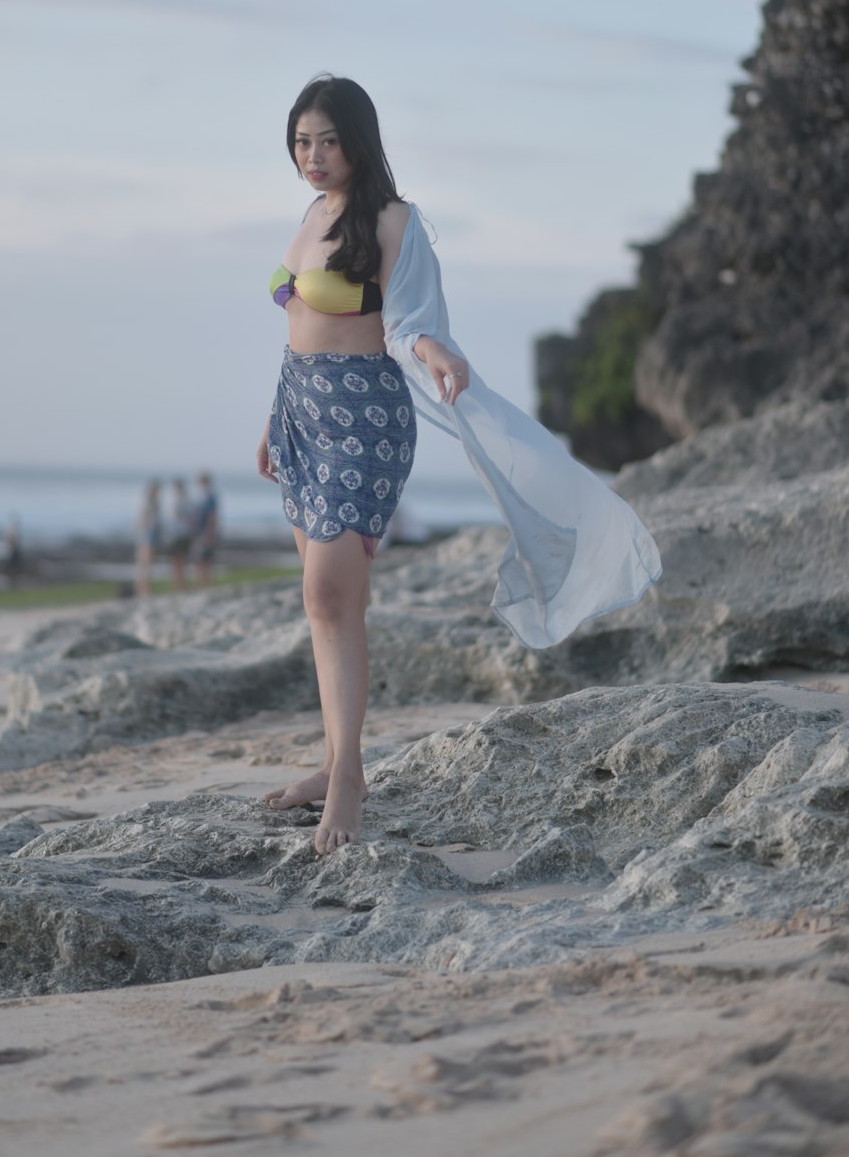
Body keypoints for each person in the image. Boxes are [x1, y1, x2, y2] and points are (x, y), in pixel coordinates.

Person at [258, 74, 662, 859]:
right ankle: (337, 762)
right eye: (303, 141)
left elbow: (409, 316)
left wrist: (435, 346)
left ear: (360, 140)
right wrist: (275, 420)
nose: (314, 155)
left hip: (364, 418)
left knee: (328, 591)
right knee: (327, 604)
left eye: (328, 140)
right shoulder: (311, 215)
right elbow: (296, 323)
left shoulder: (392, 219)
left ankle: (347, 785)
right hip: (302, 412)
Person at [135, 479, 162, 598]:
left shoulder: (155, 503)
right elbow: (142, 520)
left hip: (151, 534)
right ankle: (142, 588)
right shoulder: (148, 503)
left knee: (148, 563)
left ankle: (145, 587)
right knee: (144, 563)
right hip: (147, 534)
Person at [191, 472, 218, 589]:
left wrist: (209, 533)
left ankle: (205, 584)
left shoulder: (209, 497)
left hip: (205, 533)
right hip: (199, 532)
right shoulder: (202, 496)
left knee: (204, 559)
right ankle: (202, 584)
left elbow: (212, 517)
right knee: (200, 559)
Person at [167, 477, 194, 590]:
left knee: (179, 560)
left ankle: (180, 583)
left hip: (180, 534)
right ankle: (179, 583)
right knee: (178, 560)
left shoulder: (181, 500)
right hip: (180, 533)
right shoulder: (184, 500)